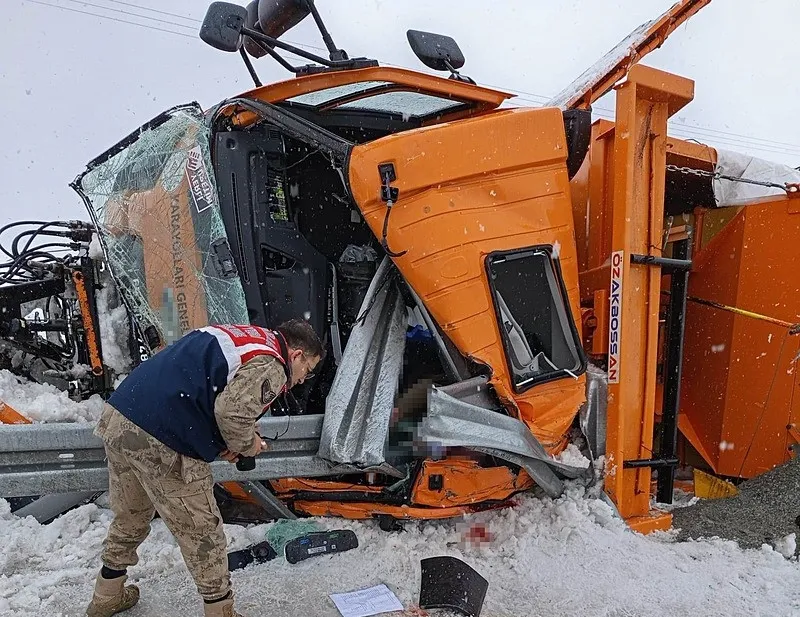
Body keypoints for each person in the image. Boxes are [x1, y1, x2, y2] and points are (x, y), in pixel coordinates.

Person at [86, 319, 324, 617]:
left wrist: (223, 440)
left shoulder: (244, 336)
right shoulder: (273, 363)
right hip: (164, 435)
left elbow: (203, 389)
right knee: (203, 532)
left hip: (122, 416)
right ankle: (220, 610)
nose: (302, 379)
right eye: (307, 370)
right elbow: (232, 414)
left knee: (131, 515)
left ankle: (107, 594)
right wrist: (248, 445)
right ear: (297, 355)